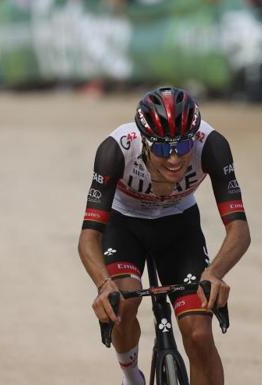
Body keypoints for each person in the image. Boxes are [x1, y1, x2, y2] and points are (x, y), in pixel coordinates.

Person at [77, 86, 251, 385]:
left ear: (193, 139)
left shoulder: (212, 145)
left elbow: (240, 230)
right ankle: (132, 377)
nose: (174, 160)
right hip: (124, 223)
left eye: (182, 147)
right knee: (124, 302)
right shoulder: (115, 149)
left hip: (178, 224)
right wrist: (104, 285)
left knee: (198, 334)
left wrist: (215, 273)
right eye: (161, 149)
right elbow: (88, 237)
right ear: (144, 141)